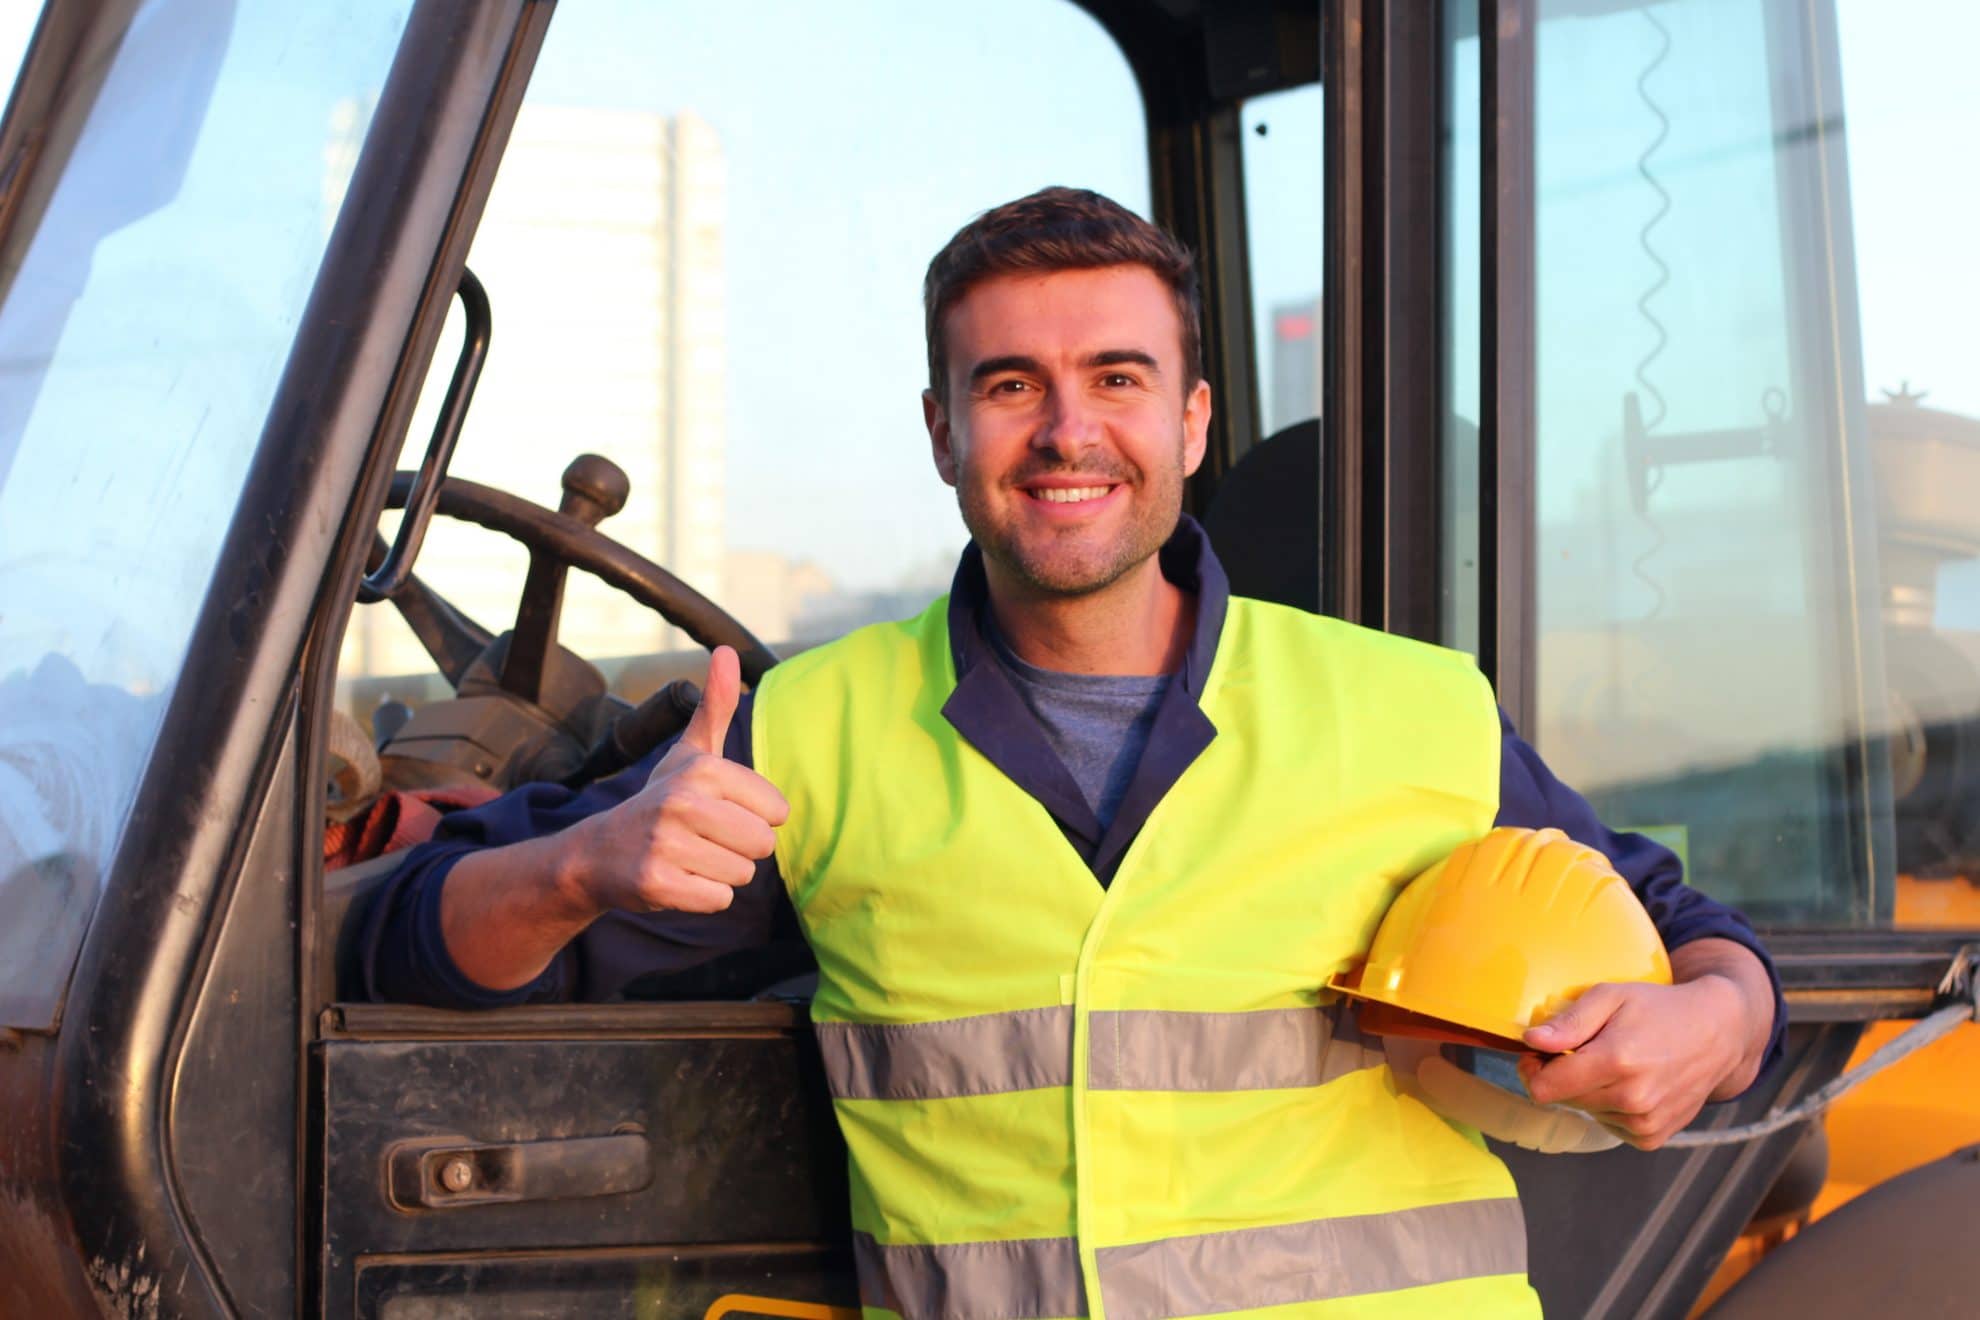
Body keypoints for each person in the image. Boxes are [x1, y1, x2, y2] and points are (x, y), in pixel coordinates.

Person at [360, 187, 1782, 1318]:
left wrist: (1708, 1026)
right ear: (943, 432)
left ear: (1191, 419)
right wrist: (578, 867)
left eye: (1117, 376)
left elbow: (1706, 947)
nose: (1067, 431)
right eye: (1010, 386)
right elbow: (416, 947)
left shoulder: (1414, 713)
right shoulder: (811, 734)